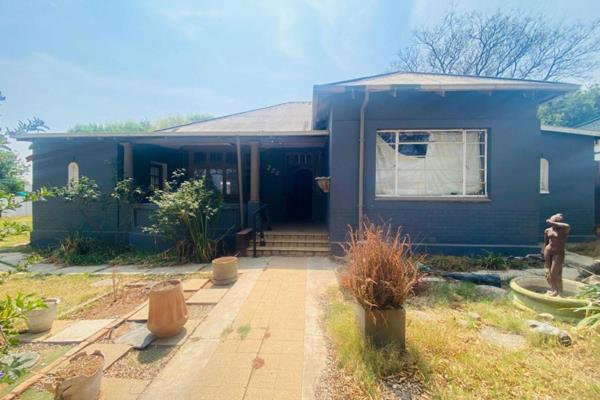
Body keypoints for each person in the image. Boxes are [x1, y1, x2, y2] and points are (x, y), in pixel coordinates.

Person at [543, 213, 570, 296]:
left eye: (556, 221)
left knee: (555, 273)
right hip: (548, 251)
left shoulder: (564, 229)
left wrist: (551, 222)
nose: (552, 224)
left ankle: (559, 291)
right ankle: (554, 290)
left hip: (558, 253)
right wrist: (543, 251)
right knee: (547, 272)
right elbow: (546, 242)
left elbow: (566, 225)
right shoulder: (548, 230)